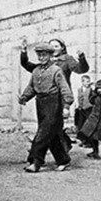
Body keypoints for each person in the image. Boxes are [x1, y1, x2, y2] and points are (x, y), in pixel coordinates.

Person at [19, 43, 74, 173]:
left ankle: (35, 161)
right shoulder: (36, 70)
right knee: (52, 134)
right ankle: (63, 160)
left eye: (44, 55)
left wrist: (66, 105)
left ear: (50, 55)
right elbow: (32, 87)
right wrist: (25, 97)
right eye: (39, 55)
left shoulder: (56, 70)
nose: (41, 58)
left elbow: (64, 88)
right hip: (40, 103)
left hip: (53, 103)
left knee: (43, 132)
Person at [75, 75, 94, 147]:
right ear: (82, 82)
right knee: (81, 125)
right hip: (81, 110)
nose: (88, 83)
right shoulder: (79, 89)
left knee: (88, 126)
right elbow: (79, 98)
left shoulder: (91, 90)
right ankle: (84, 141)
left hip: (88, 109)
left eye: (89, 81)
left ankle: (89, 142)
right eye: (87, 81)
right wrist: (78, 106)